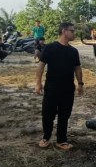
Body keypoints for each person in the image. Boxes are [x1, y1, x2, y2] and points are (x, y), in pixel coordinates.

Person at [35, 22, 83, 150]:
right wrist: (38, 83)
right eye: (72, 31)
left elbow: (77, 68)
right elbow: (41, 65)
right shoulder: (50, 48)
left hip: (68, 89)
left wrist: (80, 83)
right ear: (63, 31)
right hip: (52, 88)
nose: (74, 33)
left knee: (64, 115)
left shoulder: (73, 51)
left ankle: (61, 140)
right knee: (48, 114)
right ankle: (46, 137)